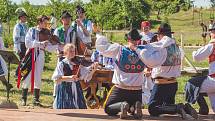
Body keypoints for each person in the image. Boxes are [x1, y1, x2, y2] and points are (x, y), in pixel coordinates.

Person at [96, 29, 167, 119]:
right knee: (132, 108)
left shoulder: (119, 49)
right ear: (138, 40)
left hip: (121, 89)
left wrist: (100, 36)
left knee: (108, 108)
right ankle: (134, 106)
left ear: (128, 40)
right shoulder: (143, 51)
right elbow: (157, 55)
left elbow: (102, 48)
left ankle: (123, 105)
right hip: (137, 91)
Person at [146, 23, 197, 119]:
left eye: (158, 35)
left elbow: (152, 62)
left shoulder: (162, 48)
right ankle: (184, 108)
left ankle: (180, 107)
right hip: (173, 83)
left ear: (160, 35)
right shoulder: (177, 47)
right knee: (167, 106)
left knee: (152, 108)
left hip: (161, 84)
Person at [20, 15, 59, 106]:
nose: (46, 24)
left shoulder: (47, 32)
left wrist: (57, 46)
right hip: (30, 54)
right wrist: (39, 43)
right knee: (28, 75)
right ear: (39, 22)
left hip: (40, 54)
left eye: (47, 23)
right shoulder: (31, 30)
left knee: (38, 75)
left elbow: (49, 47)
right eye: (45, 23)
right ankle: (23, 98)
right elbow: (28, 43)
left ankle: (36, 99)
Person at [52, 43, 98, 109]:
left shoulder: (77, 63)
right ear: (65, 53)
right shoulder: (61, 64)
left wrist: (93, 69)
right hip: (65, 89)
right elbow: (57, 79)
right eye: (70, 51)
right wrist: (69, 77)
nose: (73, 53)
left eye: (73, 51)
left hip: (76, 88)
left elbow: (86, 77)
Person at [185, 25, 215, 115]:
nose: (211, 34)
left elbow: (196, 57)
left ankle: (203, 107)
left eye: (212, 32)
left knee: (192, 83)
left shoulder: (212, 45)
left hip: (213, 80)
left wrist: (194, 51)